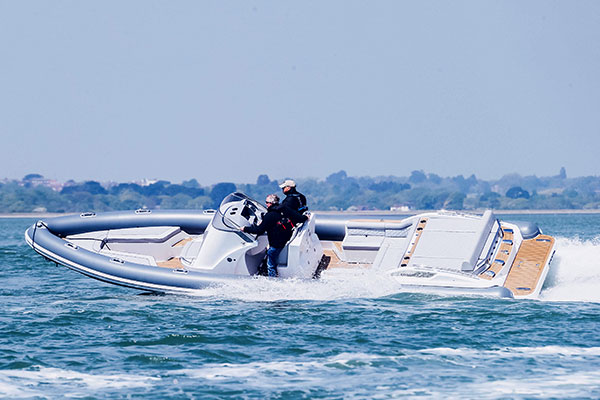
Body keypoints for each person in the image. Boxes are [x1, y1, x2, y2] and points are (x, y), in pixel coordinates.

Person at [241, 194, 307, 277]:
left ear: (271, 203)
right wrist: (305, 217)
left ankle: (272, 280)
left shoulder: (269, 216)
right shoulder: (285, 209)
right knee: (270, 257)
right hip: (285, 239)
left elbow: (259, 230)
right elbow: (299, 218)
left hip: (276, 244)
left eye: (267, 202)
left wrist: (245, 229)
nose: (266, 204)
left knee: (270, 264)